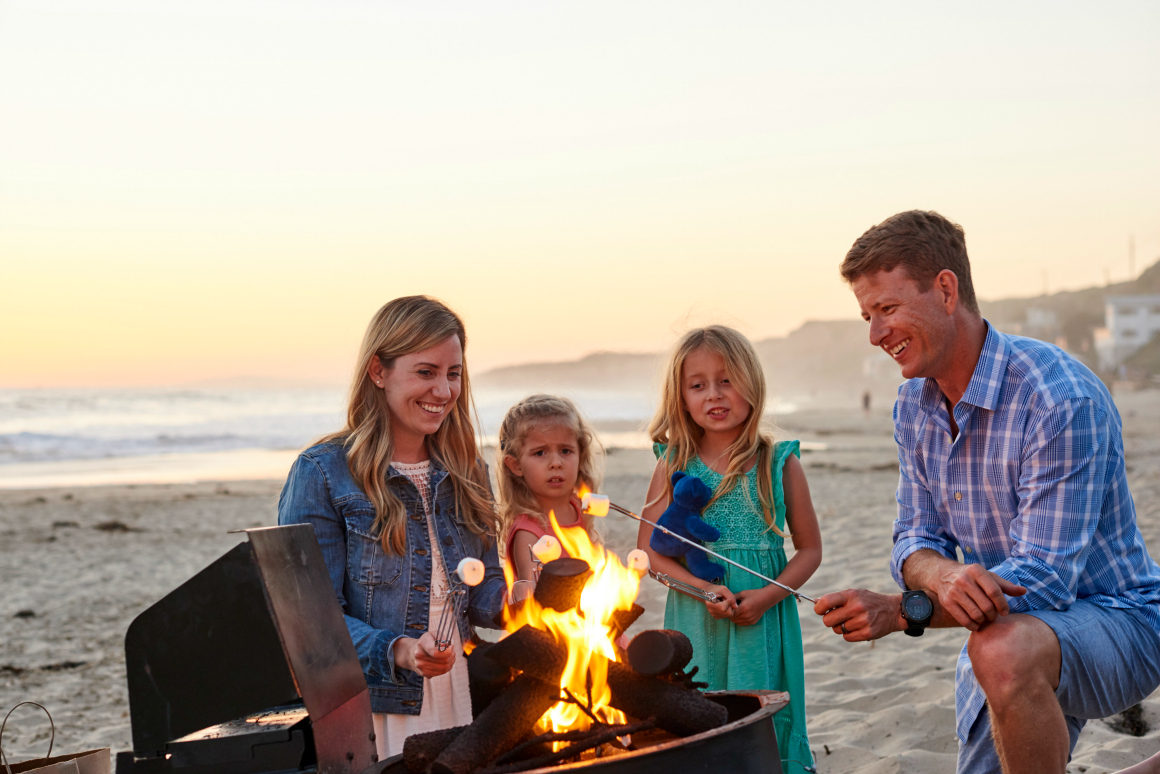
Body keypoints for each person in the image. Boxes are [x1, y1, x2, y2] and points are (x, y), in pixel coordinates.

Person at [813, 210, 1160, 774]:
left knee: (999, 650)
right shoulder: (913, 405)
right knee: (996, 659)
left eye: (888, 309)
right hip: (999, 631)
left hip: (1119, 621)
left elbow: (1043, 582)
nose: (876, 334)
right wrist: (942, 575)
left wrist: (903, 612)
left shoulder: (1059, 398)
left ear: (945, 290)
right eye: (866, 316)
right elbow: (913, 539)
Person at [278, 296, 506, 760]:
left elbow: (482, 594)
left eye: (453, 373)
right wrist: (400, 650)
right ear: (378, 372)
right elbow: (311, 625)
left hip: (456, 694)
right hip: (373, 706)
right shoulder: (322, 473)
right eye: (426, 372)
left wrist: (522, 598)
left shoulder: (467, 470)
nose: (443, 391)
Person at [637, 325, 822, 774]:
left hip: (760, 621)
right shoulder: (674, 462)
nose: (714, 395)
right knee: (700, 714)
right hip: (695, 618)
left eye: (727, 380)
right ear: (681, 397)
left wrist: (764, 598)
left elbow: (810, 550)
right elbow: (650, 554)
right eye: (697, 385)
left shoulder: (778, 462)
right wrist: (702, 589)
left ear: (751, 384)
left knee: (759, 719)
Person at [495, 393, 603, 601]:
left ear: (581, 455)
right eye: (540, 453)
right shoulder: (528, 532)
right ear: (515, 465)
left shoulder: (580, 508)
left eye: (565, 450)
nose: (556, 462)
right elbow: (535, 602)